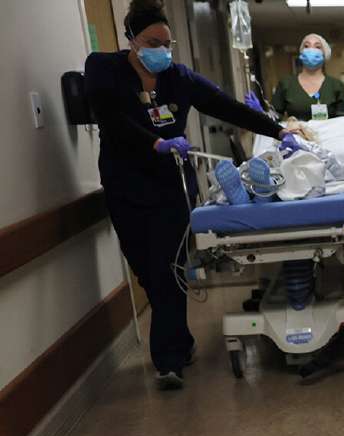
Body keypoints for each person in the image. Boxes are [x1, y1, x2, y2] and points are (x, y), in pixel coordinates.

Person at [86, 0, 302, 390]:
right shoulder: (103, 69)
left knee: (167, 268)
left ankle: (168, 363)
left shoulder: (178, 78)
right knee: (147, 271)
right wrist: (155, 143)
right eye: (153, 42)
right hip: (125, 184)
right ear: (131, 39)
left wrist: (278, 131)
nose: (162, 51)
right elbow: (110, 118)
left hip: (170, 186)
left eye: (166, 43)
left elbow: (227, 108)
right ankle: (181, 342)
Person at [266, 34, 344, 121]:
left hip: (330, 130)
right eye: (306, 46)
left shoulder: (336, 85)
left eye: (317, 47)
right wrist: (286, 123)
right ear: (301, 53)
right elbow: (274, 117)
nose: (311, 50)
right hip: (296, 130)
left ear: (325, 54)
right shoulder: (286, 84)